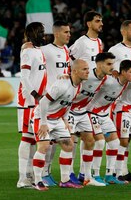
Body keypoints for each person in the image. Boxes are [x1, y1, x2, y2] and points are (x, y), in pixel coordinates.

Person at [31, 59, 89, 191]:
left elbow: (67, 104)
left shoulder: (78, 85)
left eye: (87, 69)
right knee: (44, 146)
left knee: (68, 146)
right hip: (42, 117)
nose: (88, 72)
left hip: (58, 119)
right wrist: (44, 123)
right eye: (84, 69)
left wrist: (66, 120)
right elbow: (44, 102)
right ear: (74, 71)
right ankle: (38, 181)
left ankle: (65, 180)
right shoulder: (62, 85)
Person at [86, 60, 131, 184]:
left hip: (104, 115)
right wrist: (67, 76)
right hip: (91, 112)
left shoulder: (126, 83)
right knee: (99, 143)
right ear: (123, 72)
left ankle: (110, 175)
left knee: (115, 143)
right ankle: (95, 175)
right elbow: (93, 79)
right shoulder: (109, 80)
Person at [68, 52, 116, 187]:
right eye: (108, 64)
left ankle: (86, 176)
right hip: (70, 110)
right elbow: (71, 78)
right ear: (99, 64)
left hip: (83, 112)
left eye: (113, 64)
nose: (112, 67)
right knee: (69, 143)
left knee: (90, 141)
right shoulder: (86, 75)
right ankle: (68, 174)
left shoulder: (106, 79)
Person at [39, 20, 71, 186]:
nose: (69, 35)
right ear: (56, 33)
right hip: (48, 100)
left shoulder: (67, 50)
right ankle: (40, 174)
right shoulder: (45, 50)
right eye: (66, 32)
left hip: (61, 103)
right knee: (45, 142)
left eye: (69, 32)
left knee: (56, 142)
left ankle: (47, 172)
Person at [17, 22, 47, 189]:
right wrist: (35, 95)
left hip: (37, 101)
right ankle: (22, 178)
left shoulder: (36, 49)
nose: (43, 34)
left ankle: (29, 176)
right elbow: (25, 76)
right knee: (27, 138)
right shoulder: (28, 50)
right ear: (32, 33)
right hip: (28, 101)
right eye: (40, 31)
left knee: (33, 140)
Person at [107, 19, 131, 180]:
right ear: (124, 32)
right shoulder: (115, 50)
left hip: (126, 99)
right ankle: (114, 172)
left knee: (125, 139)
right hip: (114, 100)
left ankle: (122, 171)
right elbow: (108, 68)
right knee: (117, 138)